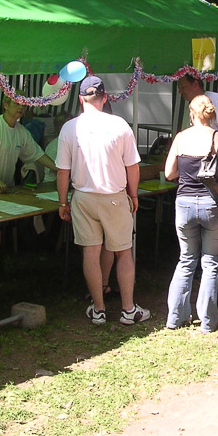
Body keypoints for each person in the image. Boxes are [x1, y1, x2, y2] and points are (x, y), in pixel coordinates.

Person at [56, 76, 150, 326]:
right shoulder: (119, 125)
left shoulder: (69, 128)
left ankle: (98, 309)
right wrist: (133, 194)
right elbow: (133, 166)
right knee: (123, 253)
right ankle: (128, 310)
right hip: (114, 197)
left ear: (80, 99)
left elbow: (62, 171)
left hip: (83, 197)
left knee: (91, 252)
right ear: (105, 97)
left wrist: (62, 202)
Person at [164, 95, 218, 333]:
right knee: (210, 262)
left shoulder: (181, 138)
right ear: (212, 115)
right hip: (212, 205)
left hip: (183, 204)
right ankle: (208, 320)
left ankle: (175, 317)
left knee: (186, 260)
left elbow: (169, 173)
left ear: (191, 114)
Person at [0, 93, 57, 273]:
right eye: (17, 104)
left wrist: (59, 169)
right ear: (5, 105)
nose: (20, 108)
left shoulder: (21, 132)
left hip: (2, 190)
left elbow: (37, 154)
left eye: (23, 105)